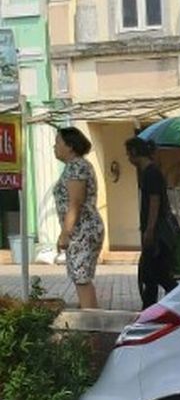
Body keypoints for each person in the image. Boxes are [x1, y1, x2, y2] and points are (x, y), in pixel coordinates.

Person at [52, 127, 104, 310]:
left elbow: (75, 202)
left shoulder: (77, 166)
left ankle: (91, 328)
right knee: (81, 279)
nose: (54, 146)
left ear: (70, 146)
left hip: (82, 231)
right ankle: (91, 324)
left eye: (58, 142)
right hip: (80, 230)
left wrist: (66, 233)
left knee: (82, 280)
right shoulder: (73, 166)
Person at [126, 137, 178, 309]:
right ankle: (150, 308)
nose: (127, 158)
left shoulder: (151, 173)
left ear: (134, 153)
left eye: (128, 154)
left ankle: (177, 301)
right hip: (155, 229)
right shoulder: (148, 172)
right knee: (151, 275)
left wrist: (149, 229)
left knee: (158, 273)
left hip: (157, 231)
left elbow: (154, 201)